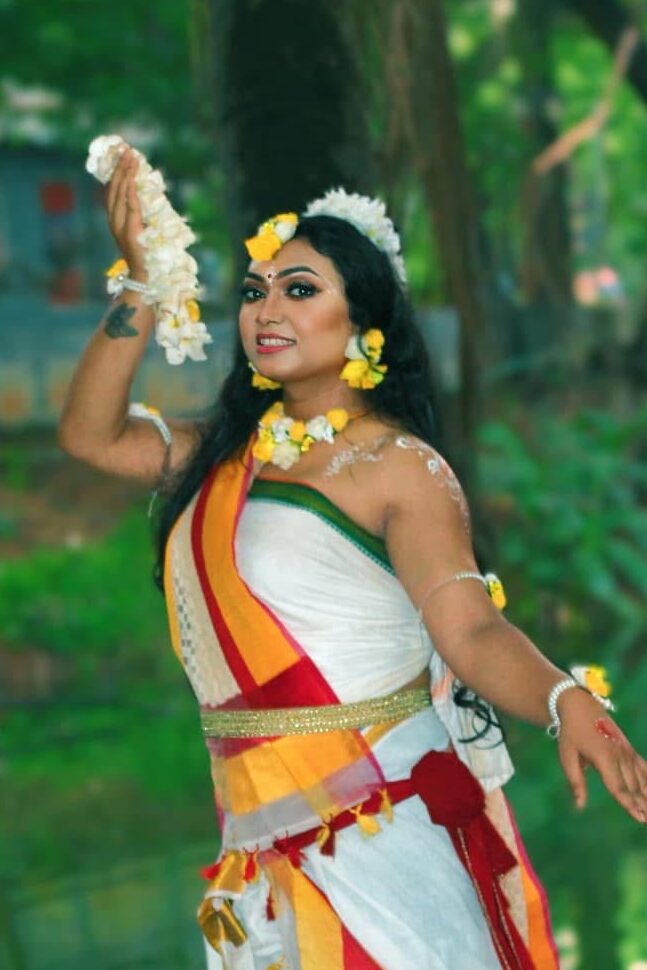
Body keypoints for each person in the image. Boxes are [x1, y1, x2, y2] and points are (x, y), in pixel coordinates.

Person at [58, 147, 647, 970]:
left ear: (364, 321)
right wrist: (142, 282)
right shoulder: (220, 456)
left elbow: (469, 630)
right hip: (256, 849)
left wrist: (561, 698)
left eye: (301, 290)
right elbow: (89, 436)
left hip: (380, 834)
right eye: (255, 291)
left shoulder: (397, 467)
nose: (267, 309)